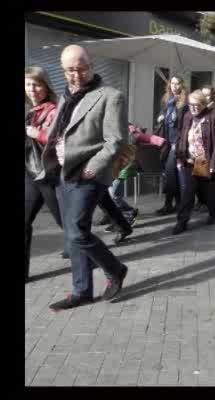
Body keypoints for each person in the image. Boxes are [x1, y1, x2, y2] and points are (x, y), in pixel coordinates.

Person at [40, 45, 129, 311]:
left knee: (78, 231)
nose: (76, 75)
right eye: (69, 70)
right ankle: (82, 290)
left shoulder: (110, 96)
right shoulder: (65, 96)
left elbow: (116, 140)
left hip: (88, 173)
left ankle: (115, 269)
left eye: (81, 69)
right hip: (63, 172)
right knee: (71, 235)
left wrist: (95, 165)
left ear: (91, 66)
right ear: (63, 70)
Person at [25, 66, 66, 282]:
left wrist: (36, 133)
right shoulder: (30, 110)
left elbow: (57, 140)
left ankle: (97, 259)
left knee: (68, 224)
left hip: (49, 176)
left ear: (46, 86)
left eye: (37, 84)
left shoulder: (52, 109)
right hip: (31, 174)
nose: (32, 89)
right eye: (28, 84)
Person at [172, 90, 215, 234]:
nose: (193, 107)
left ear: (203, 104)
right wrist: (180, 157)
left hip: (203, 161)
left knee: (208, 192)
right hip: (189, 160)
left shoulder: (212, 118)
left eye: (196, 105)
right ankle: (181, 222)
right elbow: (181, 137)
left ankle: (213, 214)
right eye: (190, 104)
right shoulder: (187, 116)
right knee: (187, 192)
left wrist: (213, 164)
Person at [104, 122, 167, 231]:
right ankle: (126, 213)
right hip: (114, 166)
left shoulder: (133, 132)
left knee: (113, 193)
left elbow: (153, 139)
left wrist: (164, 146)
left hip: (126, 167)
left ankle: (128, 213)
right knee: (111, 193)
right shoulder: (110, 129)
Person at [155, 75, 188, 216]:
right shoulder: (166, 99)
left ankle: (170, 204)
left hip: (177, 142)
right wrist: (160, 117)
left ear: (182, 85)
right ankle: (177, 203)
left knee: (170, 172)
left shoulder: (185, 102)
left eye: (178, 83)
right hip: (166, 141)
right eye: (172, 83)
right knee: (171, 174)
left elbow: (186, 123)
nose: (175, 86)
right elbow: (162, 115)